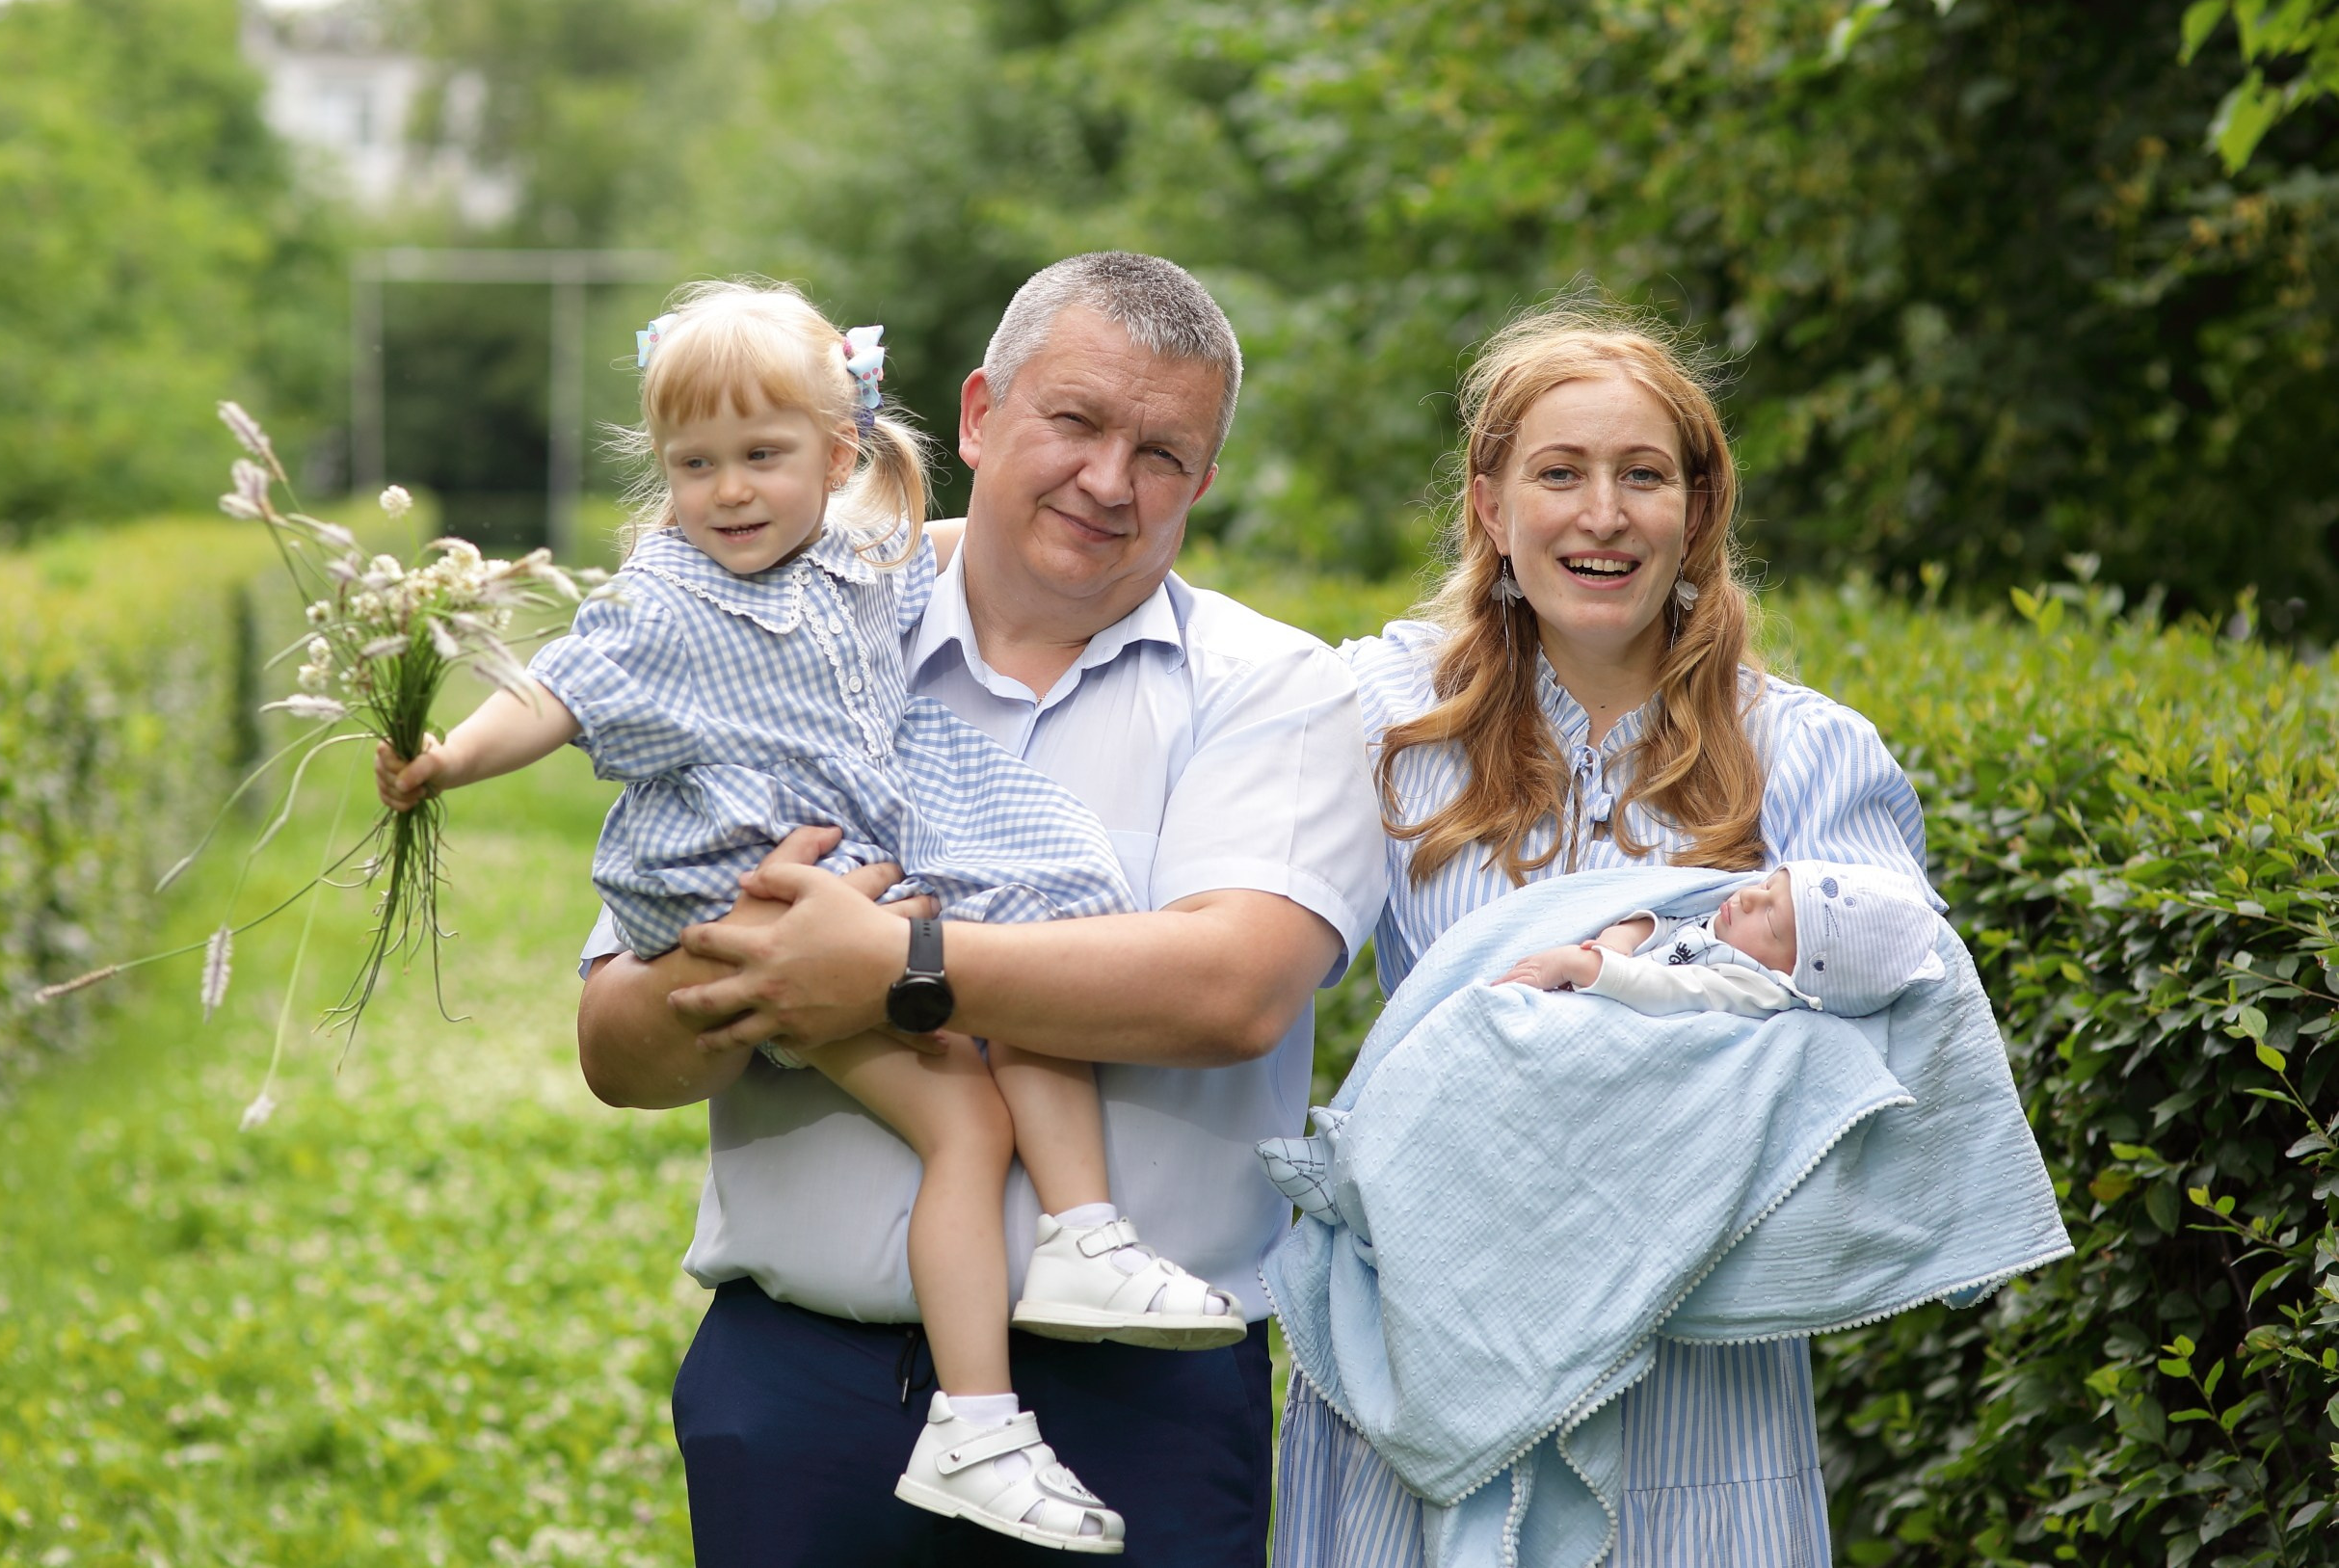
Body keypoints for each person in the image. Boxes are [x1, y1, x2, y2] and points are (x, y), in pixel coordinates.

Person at [376, 279, 1247, 1555]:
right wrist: (450, 755)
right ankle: (982, 1416)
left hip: (877, 847)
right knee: (965, 1116)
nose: (728, 490)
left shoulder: (856, 560)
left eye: (762, 457)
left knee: (1040, 916)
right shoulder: (667, 599)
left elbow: (939, 530)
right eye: (695, 464)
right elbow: (556, 692)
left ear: (836, 456)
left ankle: (1083, 1234)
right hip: (757, 886)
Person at [571, 252, 1389, 1567]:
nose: (1109, 480)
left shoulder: (1276, 691)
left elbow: (1229, 988)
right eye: (1074, 420)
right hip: (799, 1399)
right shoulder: (783, 631)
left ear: (1206, 481)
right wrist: (767, 968)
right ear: (976, 413)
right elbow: (615, 1043)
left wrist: (900, 965)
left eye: (1164, 451)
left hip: (1141, 1412)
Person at [1272, 308, 1947, 1568]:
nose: (1603, 512)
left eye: (1643, 475)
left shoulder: (1803, 746)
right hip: (1429, 1321)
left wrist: (1656, 948)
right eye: (1560, 471)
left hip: (1687, 1357)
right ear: (1488, 499)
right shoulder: (1381, 716)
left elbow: (1909, 967)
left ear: (1696, 511)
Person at [1492, 858, 1949, 1018]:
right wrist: (1626, 935)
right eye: (1768, 885)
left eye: (1772, 920)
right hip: (1607, 972)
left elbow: (1668, 990)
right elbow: (1675, 925)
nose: (1748, 897)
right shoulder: (1727, 925)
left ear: (1792, 974)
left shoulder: (1754, 987)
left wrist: (1579, 964)